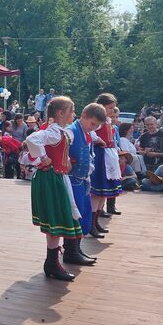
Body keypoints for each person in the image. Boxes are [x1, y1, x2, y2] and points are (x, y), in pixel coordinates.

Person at [25, 96, 85, 282]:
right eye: (71, 111)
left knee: (58, 220)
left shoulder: (61, 132)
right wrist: (43, 158)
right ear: (60, 113)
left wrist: (64, 160)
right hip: (51, 179)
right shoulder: (53, 132)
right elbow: (32, 139)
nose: (73, 115)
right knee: (56, 220)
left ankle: (51, 262)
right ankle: (51, 263)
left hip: (58, 177)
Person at [66, 102, 107, 249]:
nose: (94, 128)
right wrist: (67, 160)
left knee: (84, 213)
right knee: (74, 213)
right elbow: (60, 146)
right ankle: (71, 250)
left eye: (97, 126)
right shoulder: (70, 131)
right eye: (92, 124)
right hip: (72, 179)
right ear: (83, 116)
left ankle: (77, 248)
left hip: (83, 180)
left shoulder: (87, 133)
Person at [89, 93, 122, 236]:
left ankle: (96, 222)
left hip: (108, 155)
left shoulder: (107, 120)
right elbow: (89, 133)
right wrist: (98, 140)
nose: (111, 110)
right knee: (97, 192)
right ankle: (91, 224)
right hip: (101, 155)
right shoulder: (98, 120)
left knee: (103, 193)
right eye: (110, 108)